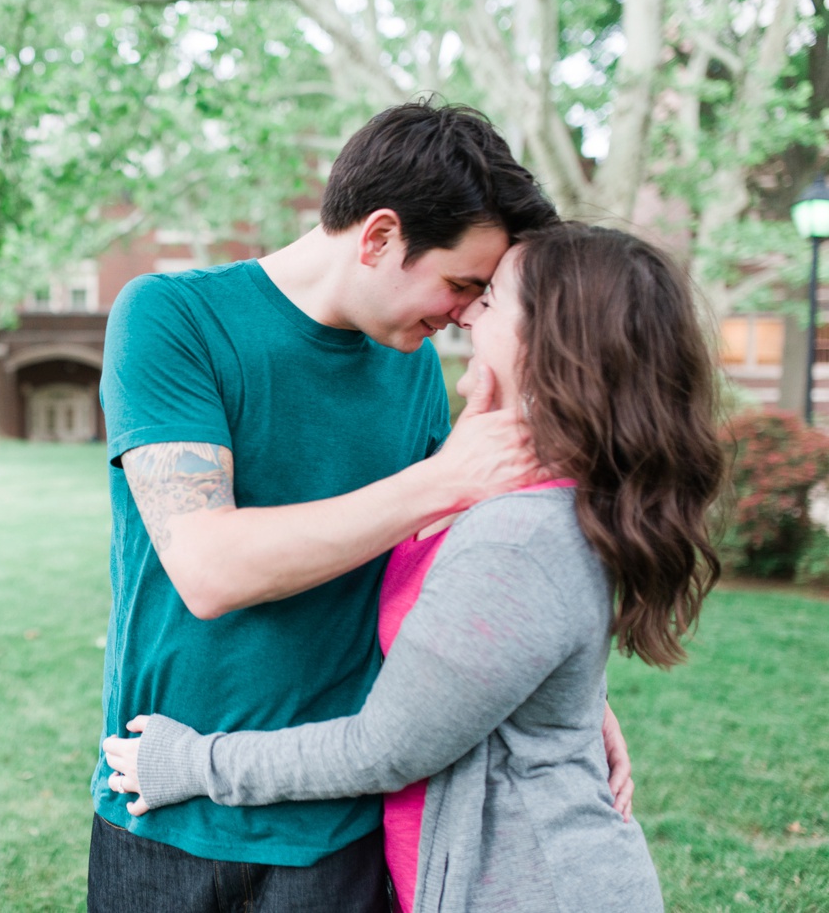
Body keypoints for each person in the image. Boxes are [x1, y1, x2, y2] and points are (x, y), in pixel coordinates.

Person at [89, 100, 627, 913]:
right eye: (460, 284)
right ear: (379, 237)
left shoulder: (404, 361)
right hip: (163, 807)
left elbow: (453, 562)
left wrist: (572, 694)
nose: (463, 314)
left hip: (334, 822)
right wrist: (442, 478)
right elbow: (208, 566)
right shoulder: (173, 318)